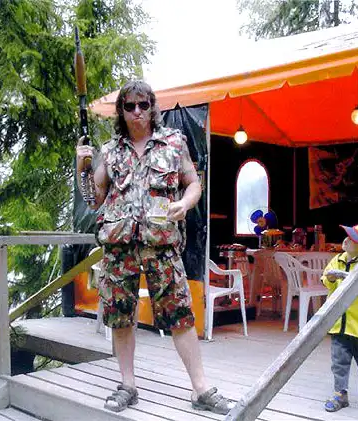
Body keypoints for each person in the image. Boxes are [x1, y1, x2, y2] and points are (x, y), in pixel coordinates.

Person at [76, 80, 234, 415]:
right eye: (129, 106)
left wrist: (186, 204)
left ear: (152, 107)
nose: (137, 111)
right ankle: (127, 385)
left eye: (143, 105)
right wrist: (82, 167)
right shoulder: (111, 150)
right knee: (121, 317)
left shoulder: (174, 142)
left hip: (162, 246)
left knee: (181, 316)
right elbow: (93, 199)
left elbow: (194, 183)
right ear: (121, 111)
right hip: (120, 248)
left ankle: (201, 389)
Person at [321, 223, 358, 412]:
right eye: (347, 236)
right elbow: (326, 280)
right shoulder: (337, 259)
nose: (346, 240)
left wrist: (349, 279)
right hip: (339, 323)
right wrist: (330, 279)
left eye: (353, 239)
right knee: (338, 362)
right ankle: (340, 393)